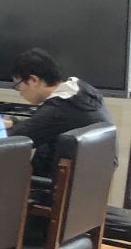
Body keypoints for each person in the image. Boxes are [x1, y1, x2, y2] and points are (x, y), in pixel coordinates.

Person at [8, 48, 115, 178]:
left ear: (33, 80)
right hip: (91, 179)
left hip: (57, 183)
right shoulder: (82, 90)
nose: (19, 93)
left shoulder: (59, 108)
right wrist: (13, 122)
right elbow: (40, 126)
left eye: (17, 86)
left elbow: (11, 140)